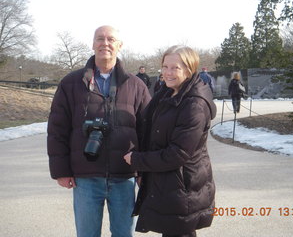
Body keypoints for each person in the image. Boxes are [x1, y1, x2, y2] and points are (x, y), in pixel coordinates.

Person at [47, 25, 151, 237]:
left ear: (119, 45)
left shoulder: (136, 85)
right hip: (85, 176)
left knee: (124, 234)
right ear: (93, 44)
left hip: (124, 176)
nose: (105, 43)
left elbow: (147, 130)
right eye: (100, 39)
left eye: (111, 39)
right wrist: (61, 170)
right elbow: (57, 129)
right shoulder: (71, 83)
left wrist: (144, 170)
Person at [123, 45, 217, 237]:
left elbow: (177, 154)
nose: (167, 72)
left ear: (189, 70)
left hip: (184, 187)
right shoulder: (167, 93)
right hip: (168, 184)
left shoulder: (194, 104)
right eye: (165, 67)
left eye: (175, 68)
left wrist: (138, 160)